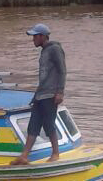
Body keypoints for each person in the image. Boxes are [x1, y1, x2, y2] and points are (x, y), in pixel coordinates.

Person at [11, 23, 66, 165]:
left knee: (49, 124)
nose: (33, 39)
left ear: (42, 36)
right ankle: (24, 156)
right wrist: (35, 95)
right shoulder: (44, 51)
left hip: (50, 94)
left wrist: (60, 92)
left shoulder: (55, 49)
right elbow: (44, 77)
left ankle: (55, 153)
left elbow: (62, 70)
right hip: (41, 94)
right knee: (33, 124)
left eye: (35, 36)